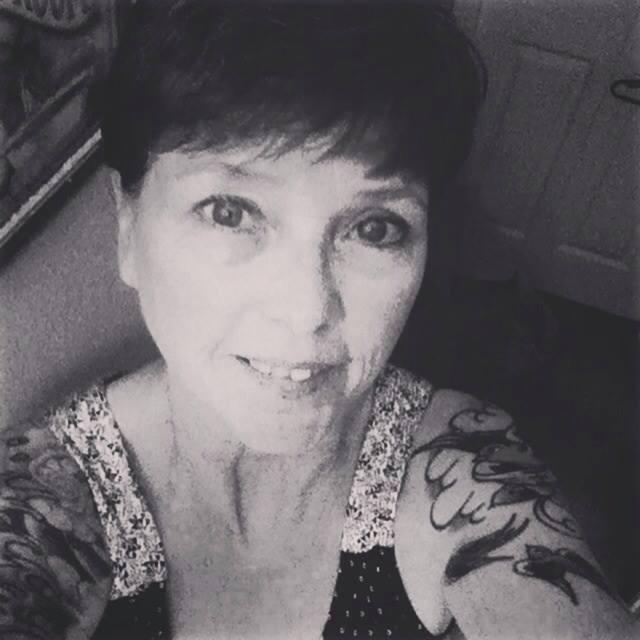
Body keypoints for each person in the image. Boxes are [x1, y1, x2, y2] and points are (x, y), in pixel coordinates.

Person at [0, 2, 637, 639]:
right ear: (127, 227)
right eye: (229, 212)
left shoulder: (458, 468)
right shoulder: (45, 503)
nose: (308, 311)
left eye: (374, 228)